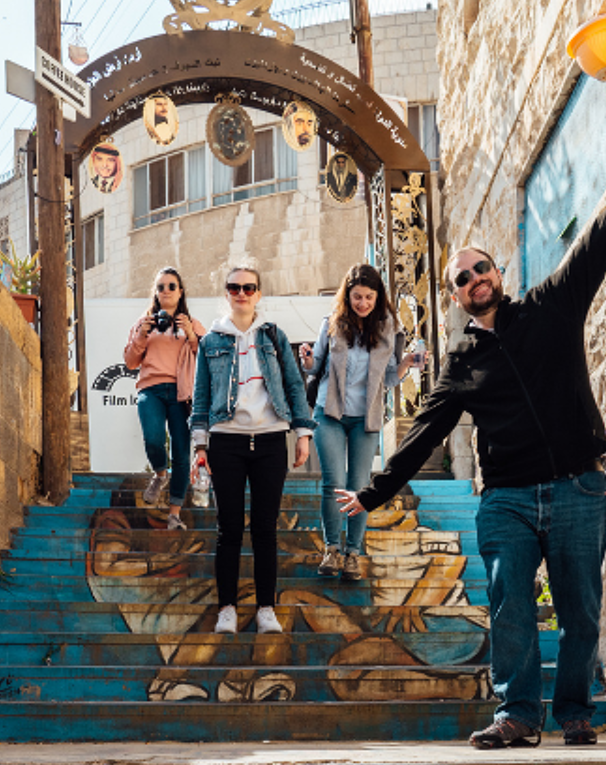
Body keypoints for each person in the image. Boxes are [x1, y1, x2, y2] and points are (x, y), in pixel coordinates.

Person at [337, 110, 606, 750]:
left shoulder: (552, 306)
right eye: (461, 278)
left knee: (580, 611)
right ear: (456, 296)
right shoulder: (461, 363)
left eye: (481, 269)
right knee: (509, 604)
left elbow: (599, 240)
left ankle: (573, 711)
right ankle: (518, 713)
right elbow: (424, 434)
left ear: (497, 273)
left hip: (577, 489)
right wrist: (374, 492)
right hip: (508, 500)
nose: (474, 280)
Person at [190, 266, 314, 634]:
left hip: (271, 440)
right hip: (226, 440)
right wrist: (200, 445)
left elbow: (294, 385)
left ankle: (265, 609)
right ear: (226, 292)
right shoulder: (210, 341)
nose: (241, 293)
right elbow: (200, 396)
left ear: (258, 293)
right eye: (234, 287)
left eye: (249, 287)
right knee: (228, 529)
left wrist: (303, 433)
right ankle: (227, 608)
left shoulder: (274, 335)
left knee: (265, 529)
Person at [301, 264, 422, 579]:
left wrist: (406, 363)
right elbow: (314, 367)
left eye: (369, 297)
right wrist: (307, 359)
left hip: (365, 419)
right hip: (329, 412)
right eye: (357, 297)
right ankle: (332, 550)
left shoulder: (389, 329)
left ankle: (352, 553)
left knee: (358, 487)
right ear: (347, 295)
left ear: (378, 297)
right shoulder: (331, 324)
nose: (363, 303)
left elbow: (390, 379)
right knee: (334, 483)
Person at [124, 268, 204, 527]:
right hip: (151, 389)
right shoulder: (143, 322)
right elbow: (130, 362)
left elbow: (206, 359)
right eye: (161, 287)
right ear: (155, 293)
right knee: (153, 438)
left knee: (181, 453)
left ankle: (174, 514)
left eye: (171, 286)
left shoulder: (192, 323)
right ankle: (160, 474)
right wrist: (141, 335)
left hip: (182, 393)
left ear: (180, 292)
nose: (166, 291)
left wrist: (190, 334)